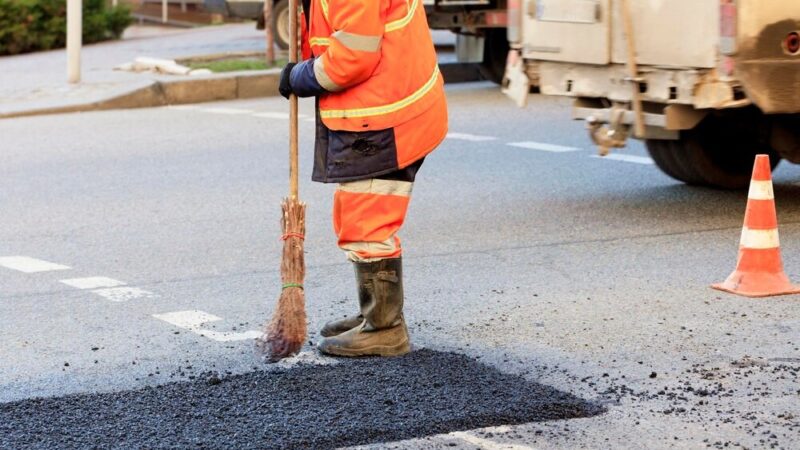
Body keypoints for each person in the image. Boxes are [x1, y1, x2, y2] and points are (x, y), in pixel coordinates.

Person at [278, 0, 448, 357]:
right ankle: (374, 312)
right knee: (356, 211)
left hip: (387, 116)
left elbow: (351, 60)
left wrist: (299, 76)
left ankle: (385, 329)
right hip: (385, 106)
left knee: (367, 222)